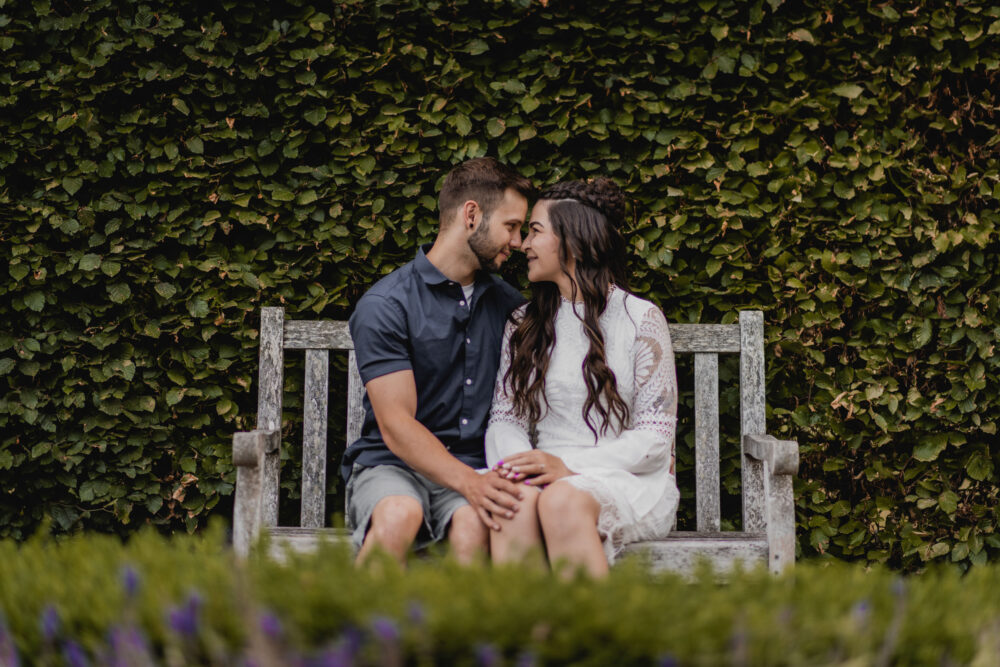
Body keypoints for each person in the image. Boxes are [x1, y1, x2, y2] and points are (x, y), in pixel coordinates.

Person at [343, 157, 534, 566]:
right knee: (399, 514)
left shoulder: (509, 306)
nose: (518, 242)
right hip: (391, 467)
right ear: (471, 215)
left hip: (474, 469)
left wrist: (477, 482)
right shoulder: (387, 304)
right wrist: (470, 483)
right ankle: (356, 612)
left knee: (473, 526)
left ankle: (459, 613)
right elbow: (396, 426)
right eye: (512, 226)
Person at [484, 177, 679, 578]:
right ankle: (525, 619)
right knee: (512, 501)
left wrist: (566, 466)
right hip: (545, 476)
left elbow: (655, 440)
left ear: (573, 241)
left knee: (562, 501)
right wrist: (520, 469)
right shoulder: (523, 323)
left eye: (535, 231)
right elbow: (505, 418)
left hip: (624, 478)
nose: (523, 244)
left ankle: (586, 621)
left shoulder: (640, 320)